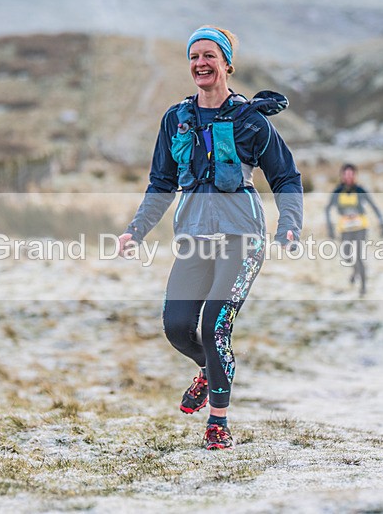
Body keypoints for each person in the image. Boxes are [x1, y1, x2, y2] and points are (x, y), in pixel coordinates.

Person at [117, 25, 303, 450]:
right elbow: (161, 182)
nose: (200, 63)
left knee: (214, 327)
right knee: (178, 327)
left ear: (226, 64)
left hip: (244, 238)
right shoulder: (175, 119)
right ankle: (211, 370)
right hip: (195, 238)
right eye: (194, 56)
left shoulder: (250, 120)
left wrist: (289, 223)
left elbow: (286, 176)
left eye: (209, 56)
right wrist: (137, 230)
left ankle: (218, 423)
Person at [325, 163, 383, 297]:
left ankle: (363, 288)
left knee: (359, 257)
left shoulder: (360, 190)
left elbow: (373, 206)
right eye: (346, 174)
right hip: (345, 228)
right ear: (342, 175)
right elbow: (327, 209)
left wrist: (382, 223)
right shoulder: (337, 191)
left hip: (360, 227)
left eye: (351, 174)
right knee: (347, 256)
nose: (348, 177)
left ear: (355, 175)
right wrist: (329, 227)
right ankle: (355, 271)